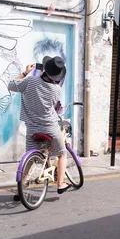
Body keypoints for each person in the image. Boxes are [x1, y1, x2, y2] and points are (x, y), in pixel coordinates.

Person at [8, 56, 70, 198]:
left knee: (29, 161)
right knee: (62, 154)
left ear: (44, 69)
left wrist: (25, 73)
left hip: (32, 128)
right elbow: (52, 107)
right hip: (50, 127)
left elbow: (11, 85)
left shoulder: (29, 81)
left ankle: (19, 190)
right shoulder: (56, 89)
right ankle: (60, 184)